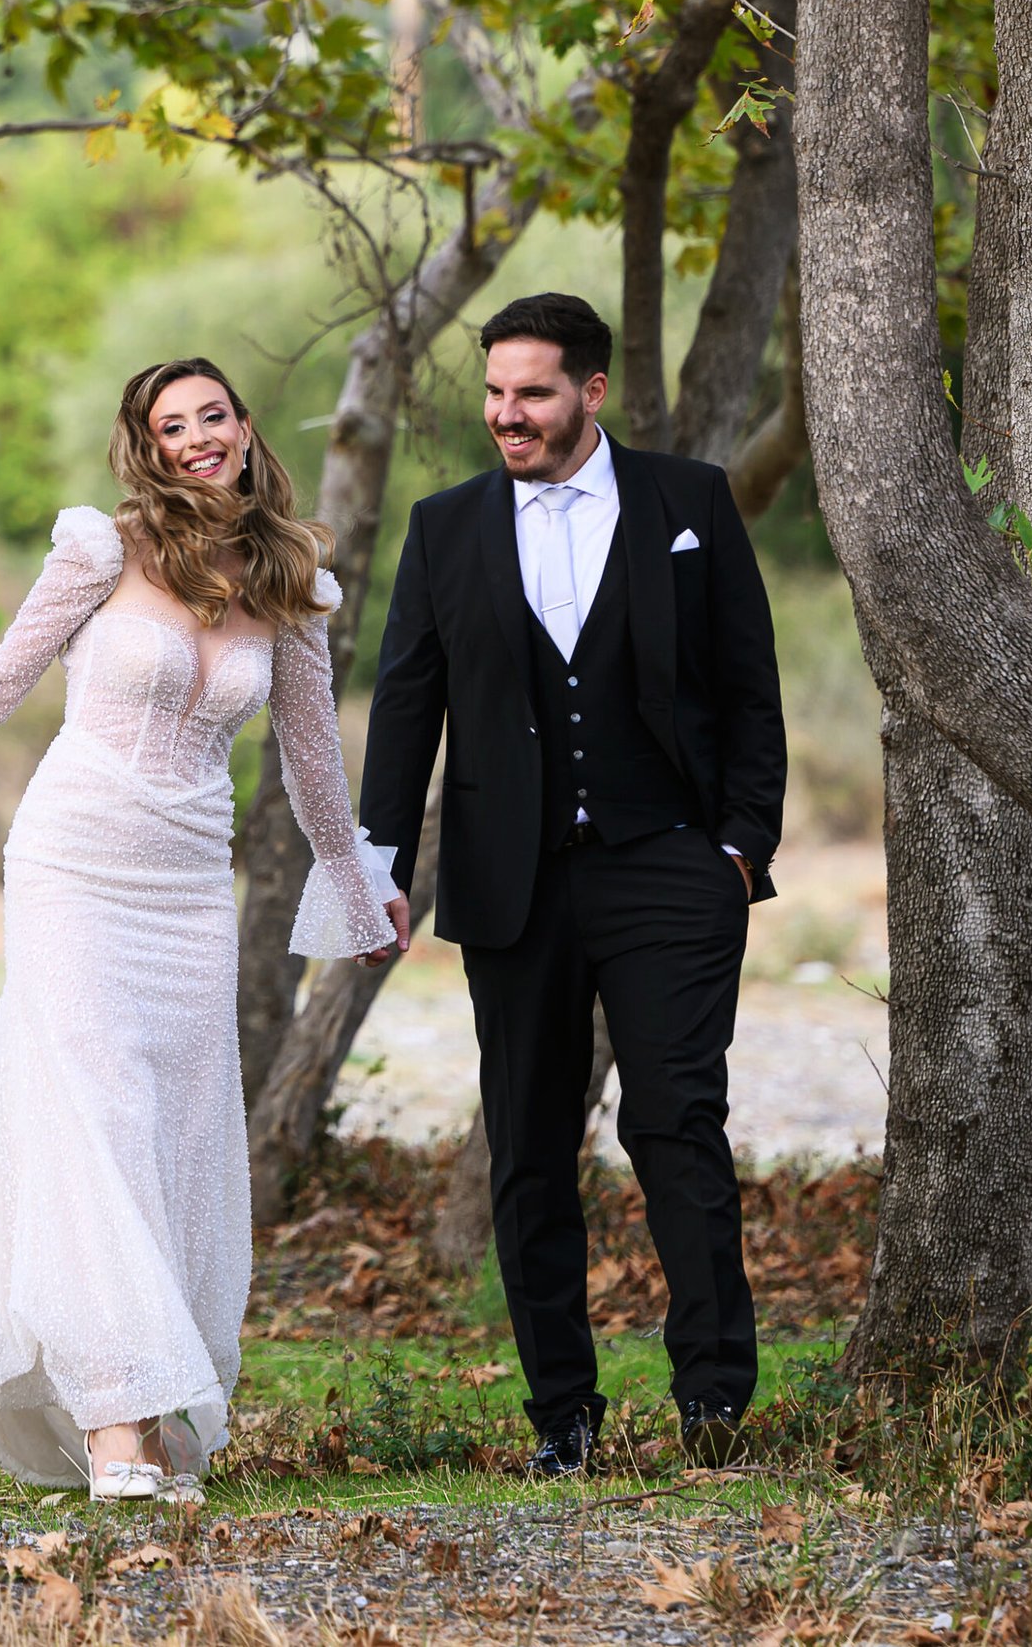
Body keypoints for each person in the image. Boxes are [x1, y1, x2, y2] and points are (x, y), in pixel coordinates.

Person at [0, 358, 399, 1503]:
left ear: (244, 428)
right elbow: (0, 681)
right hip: (74, 864)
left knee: (172, 1137)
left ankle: (144, 1403)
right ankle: (114, 1427)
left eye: (212, 416)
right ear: (147, 445)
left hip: (188, 886)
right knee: (93, 1126)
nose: (196, 437)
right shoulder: (104, 551)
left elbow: (309, 758)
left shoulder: (290, 581)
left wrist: (352, 872)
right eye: (170, 424)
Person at [356, 293, 786, 1477]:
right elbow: (406, 703)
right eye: (495, 393)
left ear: (591, 392)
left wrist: (740, 847)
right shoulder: (444, 527)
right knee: (530, 1147)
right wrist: (375, 865)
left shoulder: (688, 502)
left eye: (532, 393)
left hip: (670, 867)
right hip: (513, 883)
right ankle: (561, 1415)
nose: (507, 414)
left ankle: (713, 1396)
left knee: (675, 1123)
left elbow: (748, 686)